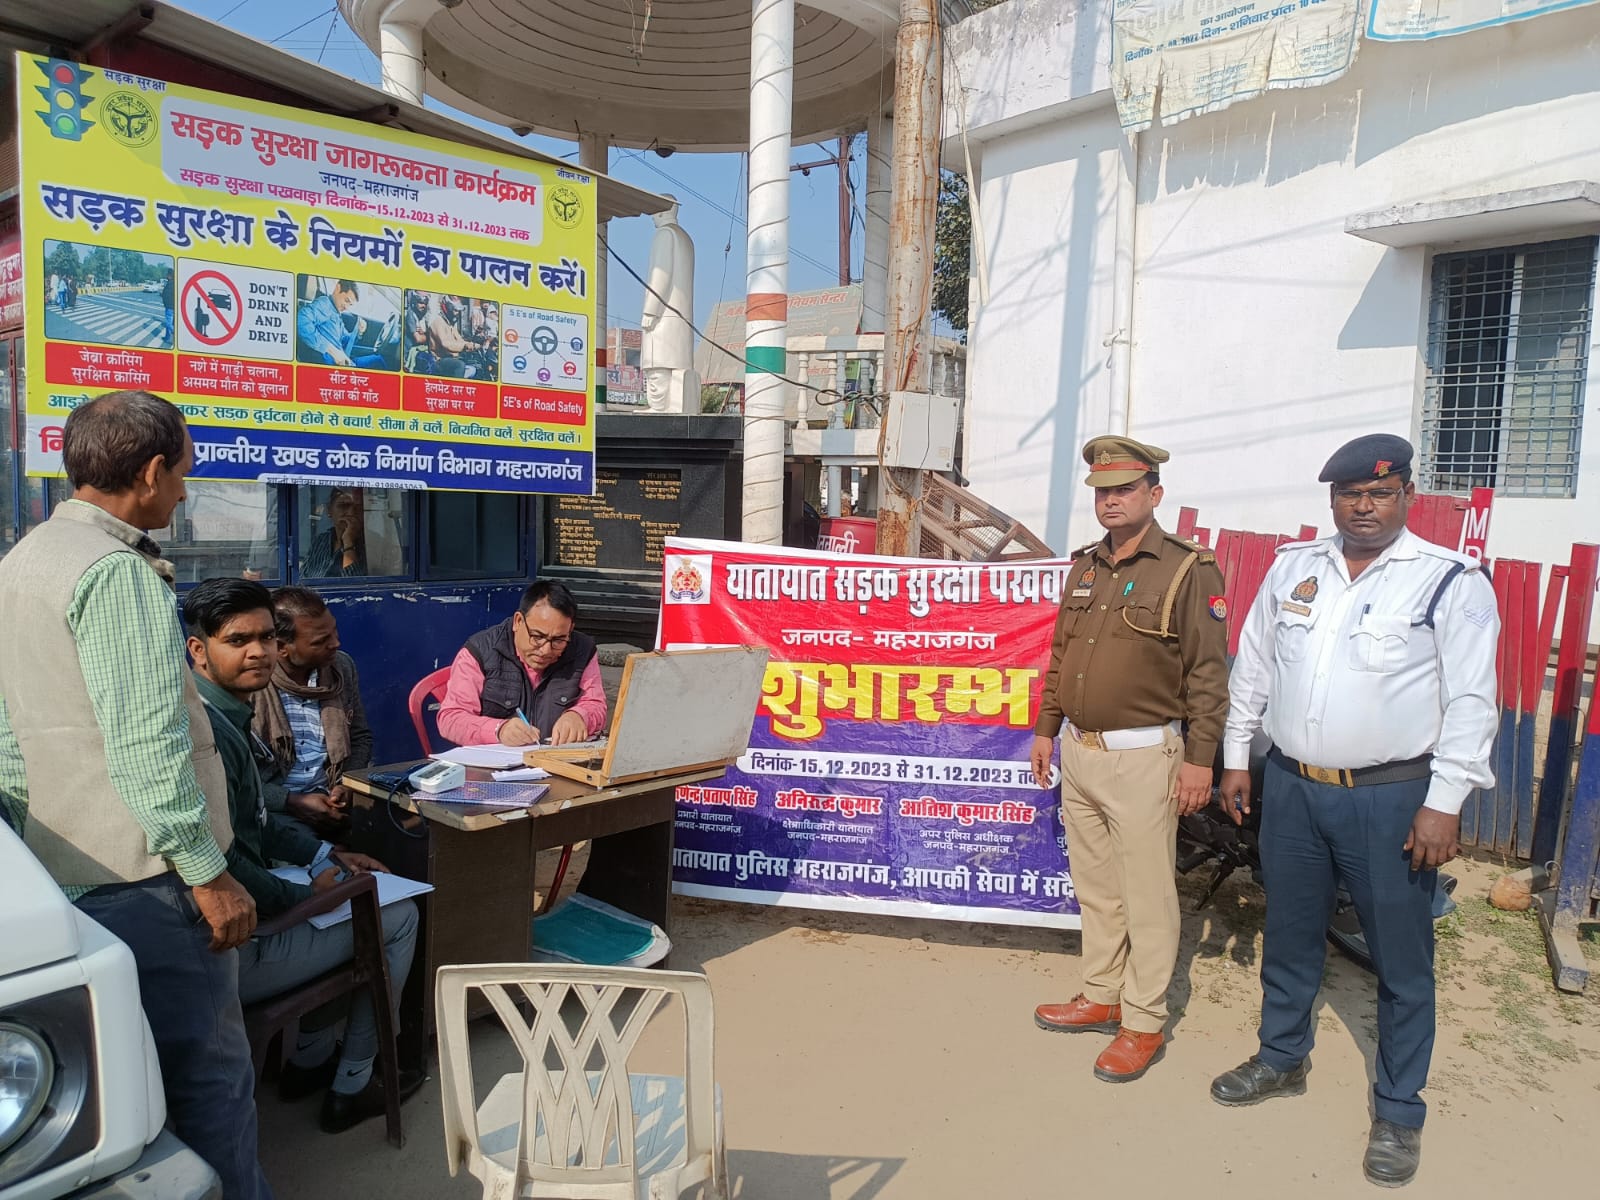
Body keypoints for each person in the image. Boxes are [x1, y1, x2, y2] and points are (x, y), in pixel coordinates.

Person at [0, 391, 272, 1199]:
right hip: (149, 878)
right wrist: (208, 875)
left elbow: (11, 739)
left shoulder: (24, 560)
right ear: (151, 471)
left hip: (66, 867)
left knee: (130, 1082)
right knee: (210, 1077)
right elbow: (149, 746)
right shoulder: (116, 574)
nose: (185, 492)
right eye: (183, 473)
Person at [1211, 434, 1498, 1188]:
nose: (1363, 507)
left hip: (1390, 797)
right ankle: (1282, 1057)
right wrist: (1237, 756)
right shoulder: (1293, 568)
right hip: (1294, 788)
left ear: (1406, 496)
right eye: (1349, 495)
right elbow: (1254, 665)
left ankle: (1399, 1111)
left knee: (1401, 959)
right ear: (1332, 500)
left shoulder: (1449, 581)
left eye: (1379, 493)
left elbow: (1473, 702)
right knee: (1291, 931)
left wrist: (1444, 802)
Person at [183, 577, 425, 1134]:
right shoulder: (209, 733)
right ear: (199, 650)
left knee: (360, 877)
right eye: (239, 640)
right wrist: (306, 894)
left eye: (265, 638)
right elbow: (224, 863)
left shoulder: (224, 713)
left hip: (294, 852)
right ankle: (353, 1083)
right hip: (234, 948)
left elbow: (256, 823)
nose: (258, 652)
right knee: (397, 917)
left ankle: (309, 1061)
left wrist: (323, 855)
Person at [1029, 435, 1229, 1083]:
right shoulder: (1086, 566)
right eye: (1102, 491)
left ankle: (1143, 1021)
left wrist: (1201, 760)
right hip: (1081, 752)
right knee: (1097, 889)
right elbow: (1062, 655)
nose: (1111, 501)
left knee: (1146, 897)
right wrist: (1046, 728)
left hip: (1144, 757)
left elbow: (1207, 674)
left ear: (1154, 494)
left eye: (1125, 490)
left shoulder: (1187, 569)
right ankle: (1101, 993)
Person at [253, 585, 373, 837]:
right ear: (281, 647)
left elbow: (360, 737)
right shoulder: (253, 683)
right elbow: (236, 777)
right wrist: (291, 801)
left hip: (332, 801)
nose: (336, 643)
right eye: (320, 641)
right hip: (273, 811)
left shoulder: (342, 667)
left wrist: (346, 786)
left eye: (334, 631)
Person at [438, 580, 607, 748]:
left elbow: (596, 704)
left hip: (556, 758)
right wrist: (498, 730)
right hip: (497, 761)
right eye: (537, 637)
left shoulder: (582, 650)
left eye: (558, 640)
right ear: (518, 622)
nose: (546, 650)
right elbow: (450, 718)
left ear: (570, 630)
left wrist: (579, 716)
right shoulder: (480, 651)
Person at [298, 278, 385, 369]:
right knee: (378, 361)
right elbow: (301, 320)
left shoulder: (336, 313)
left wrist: (359, 332)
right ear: (337, 288)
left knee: (378, 360)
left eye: (350, 304)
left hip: (344, 361)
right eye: (346, 300)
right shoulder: (325, 304)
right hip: (333, 366)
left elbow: (345, 340)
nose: (347, 307)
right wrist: (332, 350)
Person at [301, 487, 370, 578]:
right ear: (329, 510)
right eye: (343, 506)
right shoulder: (321, 541)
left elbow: (354, 582)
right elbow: (303, 576)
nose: (350, 513)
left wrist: (348, 542)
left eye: (358, 507)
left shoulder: (370, 543)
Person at [161, 267, 176, 343]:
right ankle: (167, 337)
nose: (166, 275)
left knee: (168, 323)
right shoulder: (173, 283)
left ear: (170, 275)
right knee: (169, 323)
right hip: (172, 307)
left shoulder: (170, 284)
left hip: (169, 307)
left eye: (167, 274)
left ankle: (175, 333)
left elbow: (167, 295)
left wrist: (163, 295)